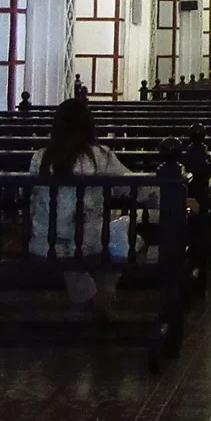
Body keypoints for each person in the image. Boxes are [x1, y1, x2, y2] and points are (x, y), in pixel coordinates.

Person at [29, 98, 155, 310]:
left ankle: (87, 292)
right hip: (89, 241)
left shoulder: (40, 157)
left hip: (43, 241)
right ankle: (105, 291)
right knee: (131, 240)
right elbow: (133, 186)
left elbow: (32, 198)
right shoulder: (100, 157)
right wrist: (172, 196)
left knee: (75, 243)